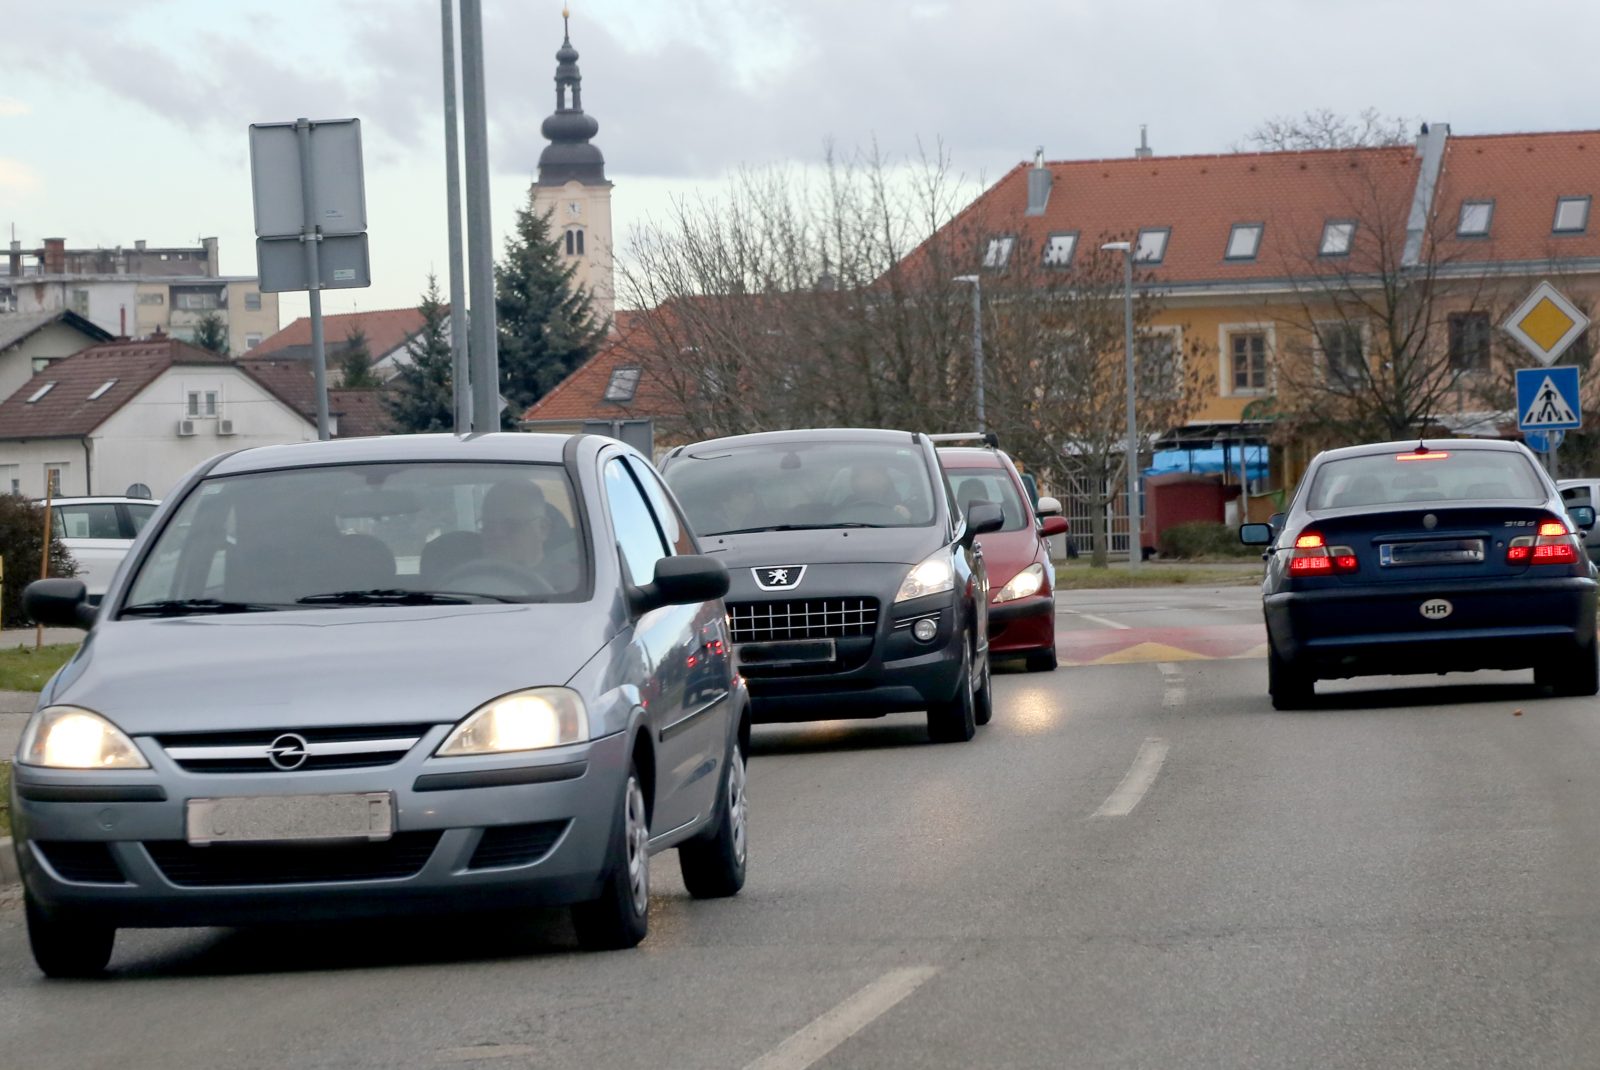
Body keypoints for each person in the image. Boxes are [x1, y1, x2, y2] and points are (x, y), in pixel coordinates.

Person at [479, 480, 550, 568]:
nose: (497, 534)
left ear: (542, 528)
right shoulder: (466, 578)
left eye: (512, 525)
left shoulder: (566, 580)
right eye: (488, 526)